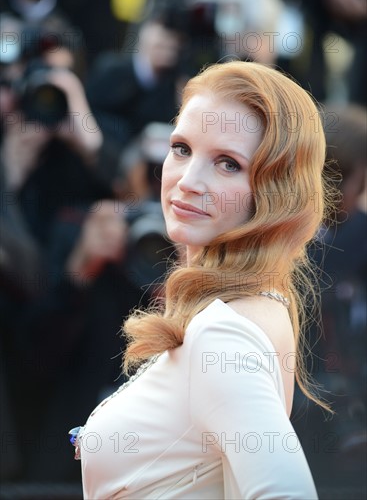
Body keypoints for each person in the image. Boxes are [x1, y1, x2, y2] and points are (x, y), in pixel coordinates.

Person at [70, 61, 332, 499]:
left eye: (228, 163)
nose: (187, 181)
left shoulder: (223, 334)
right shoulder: (251, 306)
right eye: (182, 149)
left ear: (276, 191)